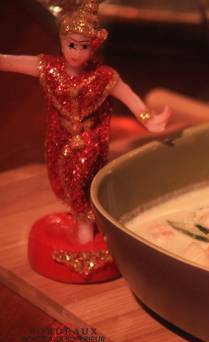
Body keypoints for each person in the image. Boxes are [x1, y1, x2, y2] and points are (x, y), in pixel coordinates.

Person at [0, 0, 171, 244]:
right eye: (71, 45)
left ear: (93, 47)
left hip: (90, 140)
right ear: (61, 42)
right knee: (68, 180)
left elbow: (128, 94)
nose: (76, 53)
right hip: (62, 139)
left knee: (81, 173)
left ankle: (85, 224)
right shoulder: (50, 68)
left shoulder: (103, 77)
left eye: (83, 47)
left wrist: (149, 121)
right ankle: (87, 217)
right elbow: (11, 62)